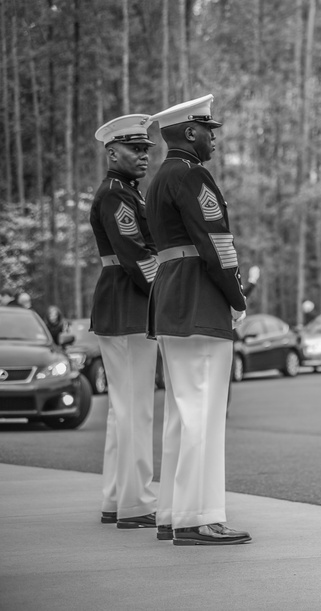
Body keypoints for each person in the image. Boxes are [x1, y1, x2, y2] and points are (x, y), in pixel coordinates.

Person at [146, 94, 251, 545]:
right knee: (203, 414)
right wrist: (237, 297)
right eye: (209, 130)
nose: (213, 138)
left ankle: (172, 513)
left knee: (180, 413)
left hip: (171, 296)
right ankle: (199, 518)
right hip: (200, 299)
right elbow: (216, 244)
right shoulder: (193, 176)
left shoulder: (157, 179)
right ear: (190, 132)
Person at [90, 113, 161, 529]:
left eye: (146, 150)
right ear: (111, 151)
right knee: (136, 408)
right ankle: (136, 503)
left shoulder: (125, 192)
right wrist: (165, 293)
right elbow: (137, 255)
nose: (143, 156)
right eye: (134, 149)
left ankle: (117, 498)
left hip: (121, 305)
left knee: (123, 409)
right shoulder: (117, 195)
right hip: (130, 305)